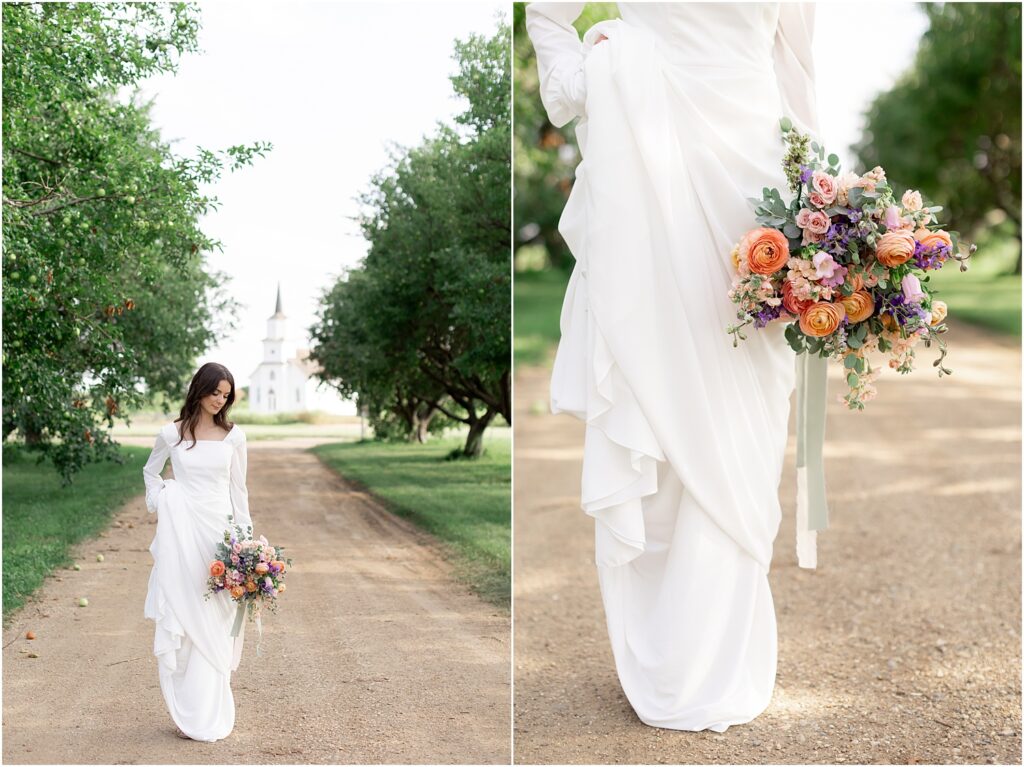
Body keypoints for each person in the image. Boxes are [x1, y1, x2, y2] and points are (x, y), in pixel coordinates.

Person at [525, 2, 821, 732]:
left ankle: (718, 641)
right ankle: (664, 648)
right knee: (656, 396)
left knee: (747, 410)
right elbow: (546, 11)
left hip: (750, 177)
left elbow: (800, 68)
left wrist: (825, 212)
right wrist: (584, 81)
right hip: (650, 165)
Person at [142, 362, 253, 741]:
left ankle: (211, 706)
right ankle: (188, 709)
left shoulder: (234, 436)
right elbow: (151, 473)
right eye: (215, 393)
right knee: (186, 616)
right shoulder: (171, 434)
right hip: (183, 535)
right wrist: (164, 500)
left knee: (216, 619)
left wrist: (247, 541)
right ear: (199, 390)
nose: (220, 400)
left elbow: (239, 492)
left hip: (219, 536)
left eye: (226, 395)